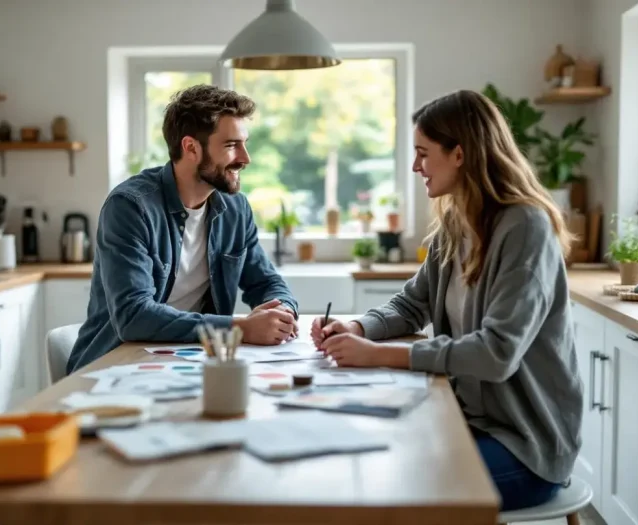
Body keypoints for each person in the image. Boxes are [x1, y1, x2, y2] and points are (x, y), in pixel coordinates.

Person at [310, 90, 583, 512]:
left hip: (526, 446)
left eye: (423, 153)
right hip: (468, 421)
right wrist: (358, 328)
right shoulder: (456, 224)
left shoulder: (525, 227)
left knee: (397, 483)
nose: (416, 166)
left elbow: (497, 353)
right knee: (363, 454)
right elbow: (408, 306)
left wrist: (379, 356)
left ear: (460, 154)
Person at [67, 84, 299, 374]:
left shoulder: (235, 209)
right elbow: (134, 316)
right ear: (191, 147)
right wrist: (240, 328)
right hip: (114, 366)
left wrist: (282, 312)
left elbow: (265, 282)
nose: (245, 158)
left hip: (189, 363)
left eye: (244, 143)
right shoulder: (130, 207)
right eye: (230, 145)